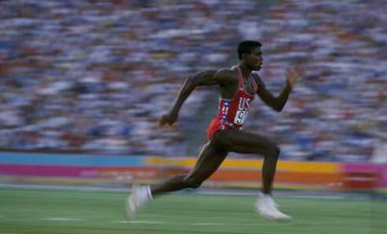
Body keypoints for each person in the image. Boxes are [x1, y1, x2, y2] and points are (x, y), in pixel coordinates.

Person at [126, 40, 302, 221]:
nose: (261, 59)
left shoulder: (255, 81)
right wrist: (174, 112)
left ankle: (143, 194)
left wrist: (288, 87)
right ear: (244, 57)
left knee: (193, 181)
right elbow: (193, 79)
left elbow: (276, 105)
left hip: (226, 137)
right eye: (257, 55)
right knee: (272, 149)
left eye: (262, 55)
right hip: (222, 132)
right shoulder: (230, 76)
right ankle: (265, 202)